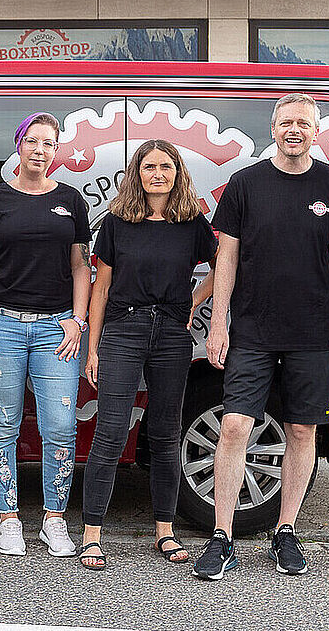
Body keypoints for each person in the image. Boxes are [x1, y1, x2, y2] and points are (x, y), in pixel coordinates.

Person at [197, 93, 329, 580]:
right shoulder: (245, 185)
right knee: (235, 427)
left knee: (303, 429)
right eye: (286, 122)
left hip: (309, 331)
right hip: (252, 329)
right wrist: (218, 320)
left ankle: (286, 530)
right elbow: (226, 257)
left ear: (315, 130)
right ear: (273, 127)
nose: (294, 130)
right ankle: (221, 537)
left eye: (303, 123)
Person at [79, 140, 216, 569]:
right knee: (112, 431)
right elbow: (101, 287)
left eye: (166, 166)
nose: (158, 173)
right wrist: (94, 347)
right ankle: (91, 534)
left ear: (178, 172)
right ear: (136, 173)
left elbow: (224, 265)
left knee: (165, 433)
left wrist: (193, 302)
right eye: (149, 166)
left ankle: (164, 531)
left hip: (172, 336)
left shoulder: (193, 222)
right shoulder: (118, 221)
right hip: (123, 330)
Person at [0, 112, 91, 558]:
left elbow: (81, 267)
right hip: (0, 325)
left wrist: (78, 320)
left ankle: (54, 520)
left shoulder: (72, 201)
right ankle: (9, 518)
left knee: (60, 427)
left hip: (58, 328)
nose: (41, 150)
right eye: (33, 141)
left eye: (49, 144)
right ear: (19, 146)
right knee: (3, 425)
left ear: (57, 152)